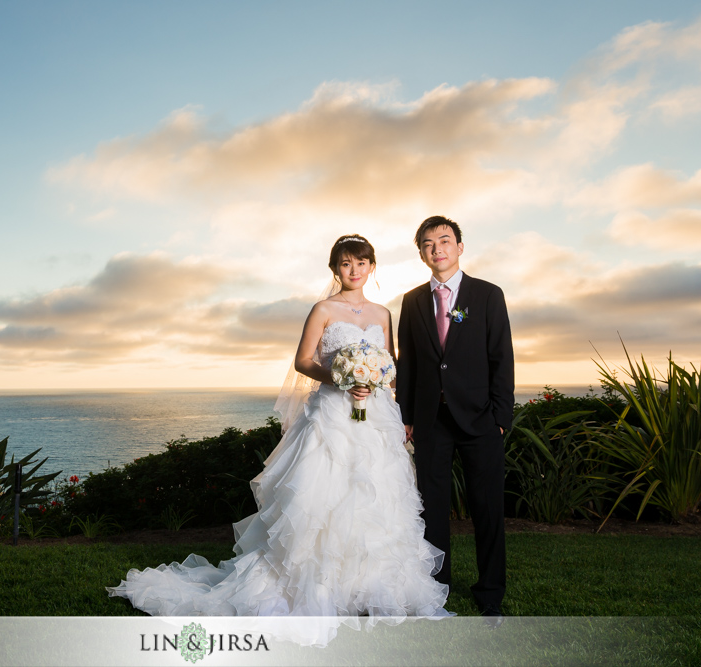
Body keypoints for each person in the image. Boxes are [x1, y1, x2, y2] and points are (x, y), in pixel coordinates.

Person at [107, 234, 450, 645]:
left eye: (361, 263)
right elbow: (303, 360)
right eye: (345, 263)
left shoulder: (382, 313)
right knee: (321, 500)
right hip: (331, 417)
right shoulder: (323, 309)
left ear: (372, 267)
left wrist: (372, 379)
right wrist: (343, 377)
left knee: (376, 499)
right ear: (335, 269)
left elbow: (389, 364)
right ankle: (313, 588)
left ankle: (367, 588)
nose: (354, 270)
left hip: (373, 416)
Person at [395, 216, 514, 619]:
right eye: (428, 244)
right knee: (432, 510)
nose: (437, 248)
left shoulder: (487, 295)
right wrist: (406, 415)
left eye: (444, 240)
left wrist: (501, 415)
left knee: (487, 509)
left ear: (460, 247)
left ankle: (490, 592)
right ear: (421, 253)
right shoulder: (412, 302)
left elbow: (501, 356)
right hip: (430, 420)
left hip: (481, 419)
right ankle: (436, 589)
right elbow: (407, 362)